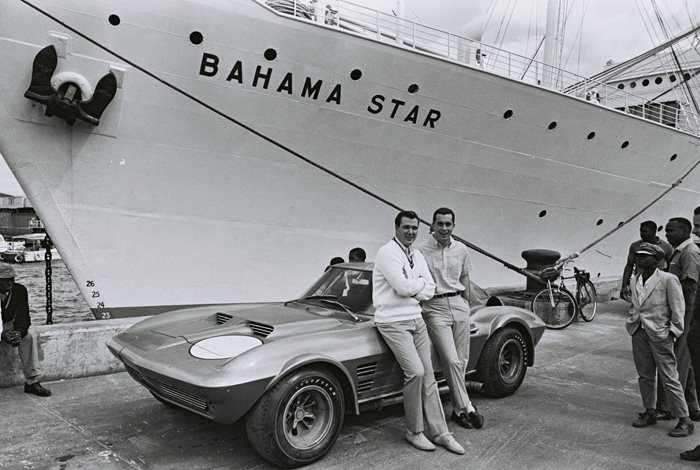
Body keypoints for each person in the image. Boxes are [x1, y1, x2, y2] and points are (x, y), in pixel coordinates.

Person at [373, 210, 464, 454]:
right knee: (415, 372)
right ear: (396, 227)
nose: (411, 232)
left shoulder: (416, 254)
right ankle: (414, 431)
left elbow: (430, 289)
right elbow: (402, 287)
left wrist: (418, 287)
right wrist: (419, 285)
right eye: (406, 227)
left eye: (414, 228)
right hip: (392, 321)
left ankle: (441, 433)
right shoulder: (387, 253)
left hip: (416, 318)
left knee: (429, 376)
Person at [417, 207, 483, 429]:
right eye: (440, 224)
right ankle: (468, 406)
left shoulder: (461, 249)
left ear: (453, 226)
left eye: (448, 224)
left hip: (459, 304)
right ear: (432, 225)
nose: (444, 228)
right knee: (452, 360)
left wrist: (467, 306)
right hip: (434, 308)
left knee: (461, 361)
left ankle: (458, 410)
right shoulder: (421, 250)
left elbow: (465, 278)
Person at [627, 243, 692, 437]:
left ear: (656, 260)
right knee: (645, 374)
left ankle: (684, 419)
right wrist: (632, 321)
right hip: (638, 331)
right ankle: (650, 411)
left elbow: (678, 308)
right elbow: (636, 304)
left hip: (660, 334)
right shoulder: (635, 279)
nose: (639, 258)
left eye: (645, 256)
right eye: (638, 255)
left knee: (669, 376)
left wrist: (672, 331)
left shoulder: (668, 279)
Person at [657, 218, 700, 420]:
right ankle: (693, 407)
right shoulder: (679, 251)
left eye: (671, 231)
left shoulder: (689, 253)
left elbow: (689, 289)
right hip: (682, 315)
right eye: (666, 230)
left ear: (684, 231)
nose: (667, 234)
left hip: (683, 316)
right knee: (686, 364)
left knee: (674, 362)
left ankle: (670, 409)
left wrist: (678, 318)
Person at [0, 263, 51, 397]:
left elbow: (23, 315)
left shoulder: (20, 290)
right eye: (6, 280)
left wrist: (19, 332)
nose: (10, 282)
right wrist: (2, 335)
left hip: (8, 323)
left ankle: (32, 381)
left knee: (28, 337)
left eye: (12, 279)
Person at [620, 221, 673, 301]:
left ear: (654, 231)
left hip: (657, 284)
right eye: (641, 231)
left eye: (645, 232)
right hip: (639, 283)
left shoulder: (666, 247)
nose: (642, 234)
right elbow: (629, 265)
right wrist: (624, 286)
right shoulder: (635, 246)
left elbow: (671, 266)